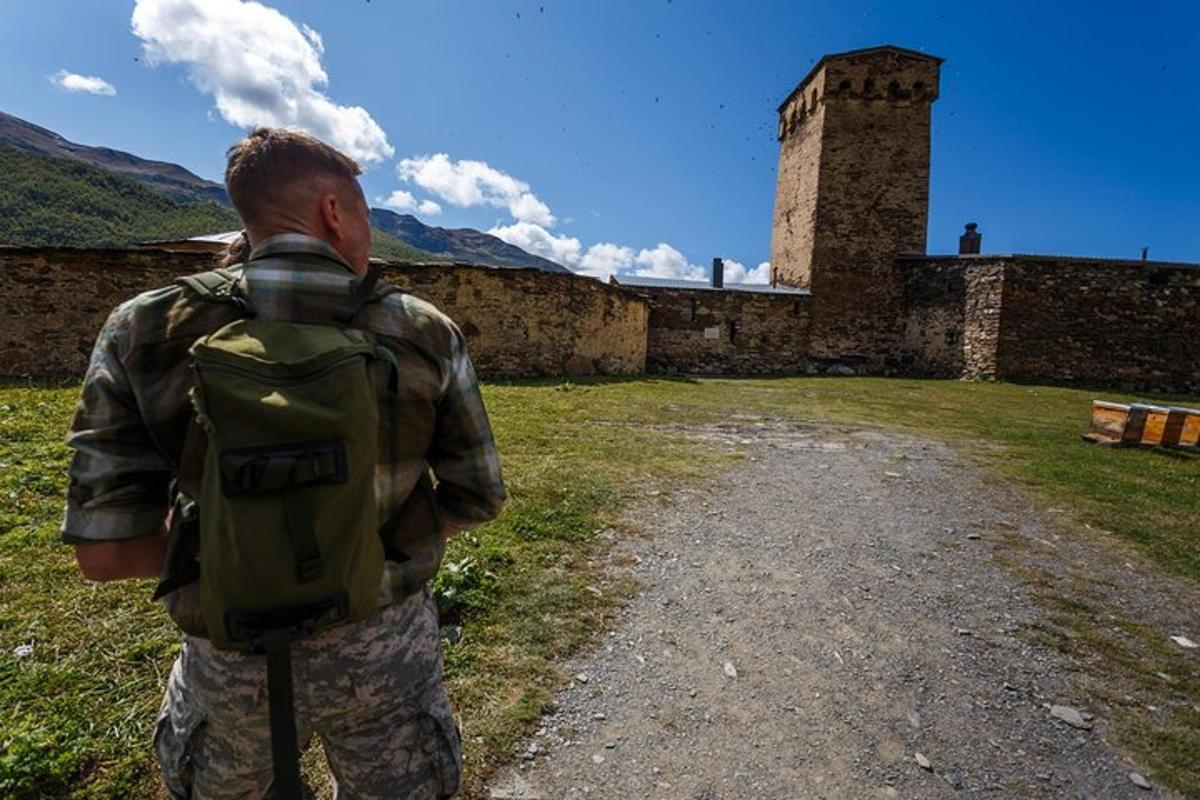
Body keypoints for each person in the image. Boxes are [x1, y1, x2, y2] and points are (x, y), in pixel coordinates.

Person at [62, 127, 507, 799]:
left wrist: (241, 555)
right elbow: (479, 495)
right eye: (364, 211)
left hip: (230, 657)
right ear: (334, 211)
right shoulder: (422, 330)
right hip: (383, 651)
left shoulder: (142, 326)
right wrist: (360, 545)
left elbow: (105, 553)